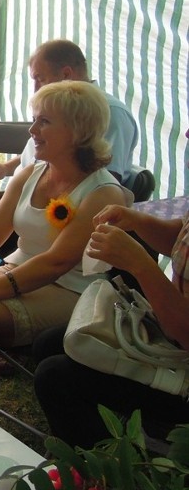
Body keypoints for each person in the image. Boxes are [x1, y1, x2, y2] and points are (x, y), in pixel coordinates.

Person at [0, 80, 132, 418]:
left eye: (44, 122)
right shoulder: (31, 173)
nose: (32, 130)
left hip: (71, 289)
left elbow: (56, 262)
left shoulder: (103, 192)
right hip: (19, 273)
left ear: (78, 131)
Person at [0, 39, 139, 285]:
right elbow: (44, 152)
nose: (35, 88)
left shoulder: (108, 112)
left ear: (66, 74)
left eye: (38, 78)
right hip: (28, 199)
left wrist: (26, 197)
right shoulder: (54, 109)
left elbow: (98, 179)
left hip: (57, 218)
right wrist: (9, 168)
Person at [34, 188, 189, 448]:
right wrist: (138, 221)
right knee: (52, 344)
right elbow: (180, 238)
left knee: (55, 378)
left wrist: (140, 265)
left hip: (182, 362)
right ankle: (130, 428)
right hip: (172, 335)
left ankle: (117, 471)